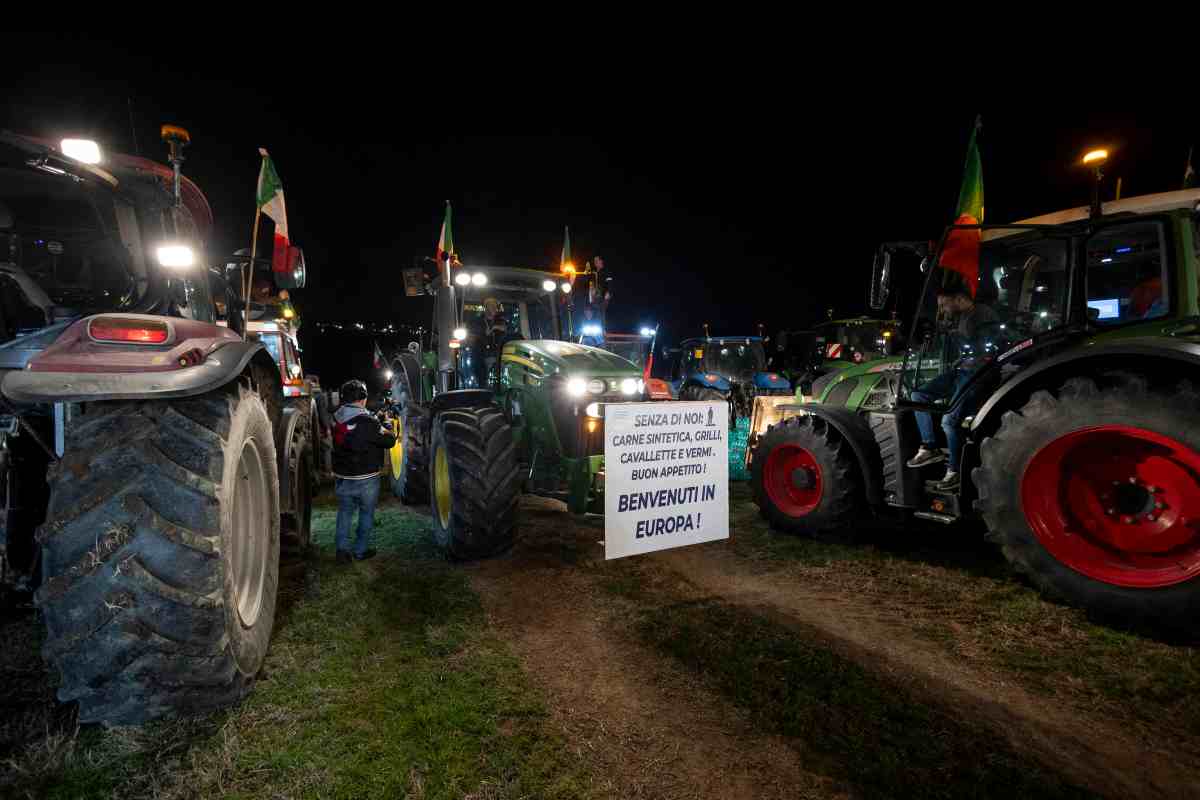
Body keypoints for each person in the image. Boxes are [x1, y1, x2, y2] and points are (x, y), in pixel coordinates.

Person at [906, 279, 1001, 490]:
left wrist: (957, 337)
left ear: (959, 299)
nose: (941, 309)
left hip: (979, 374)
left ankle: (955, 472)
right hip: (961, 371)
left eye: (943, 304)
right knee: (917, 396)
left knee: (949, 421)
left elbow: (987, 347)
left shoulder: (983, 315)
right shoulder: (960, 317)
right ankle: (930, 447)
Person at [331, 379, 396, 563]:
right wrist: (387, 426)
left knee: (344, 513)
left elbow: (354, 430)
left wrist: (376, 420)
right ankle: (360, 551)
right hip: (366, 477)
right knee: (366, 514)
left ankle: (342, 551)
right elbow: (389, 441)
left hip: (343, 476)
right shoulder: (369, 421)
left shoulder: (336, 417)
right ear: (362, 398)